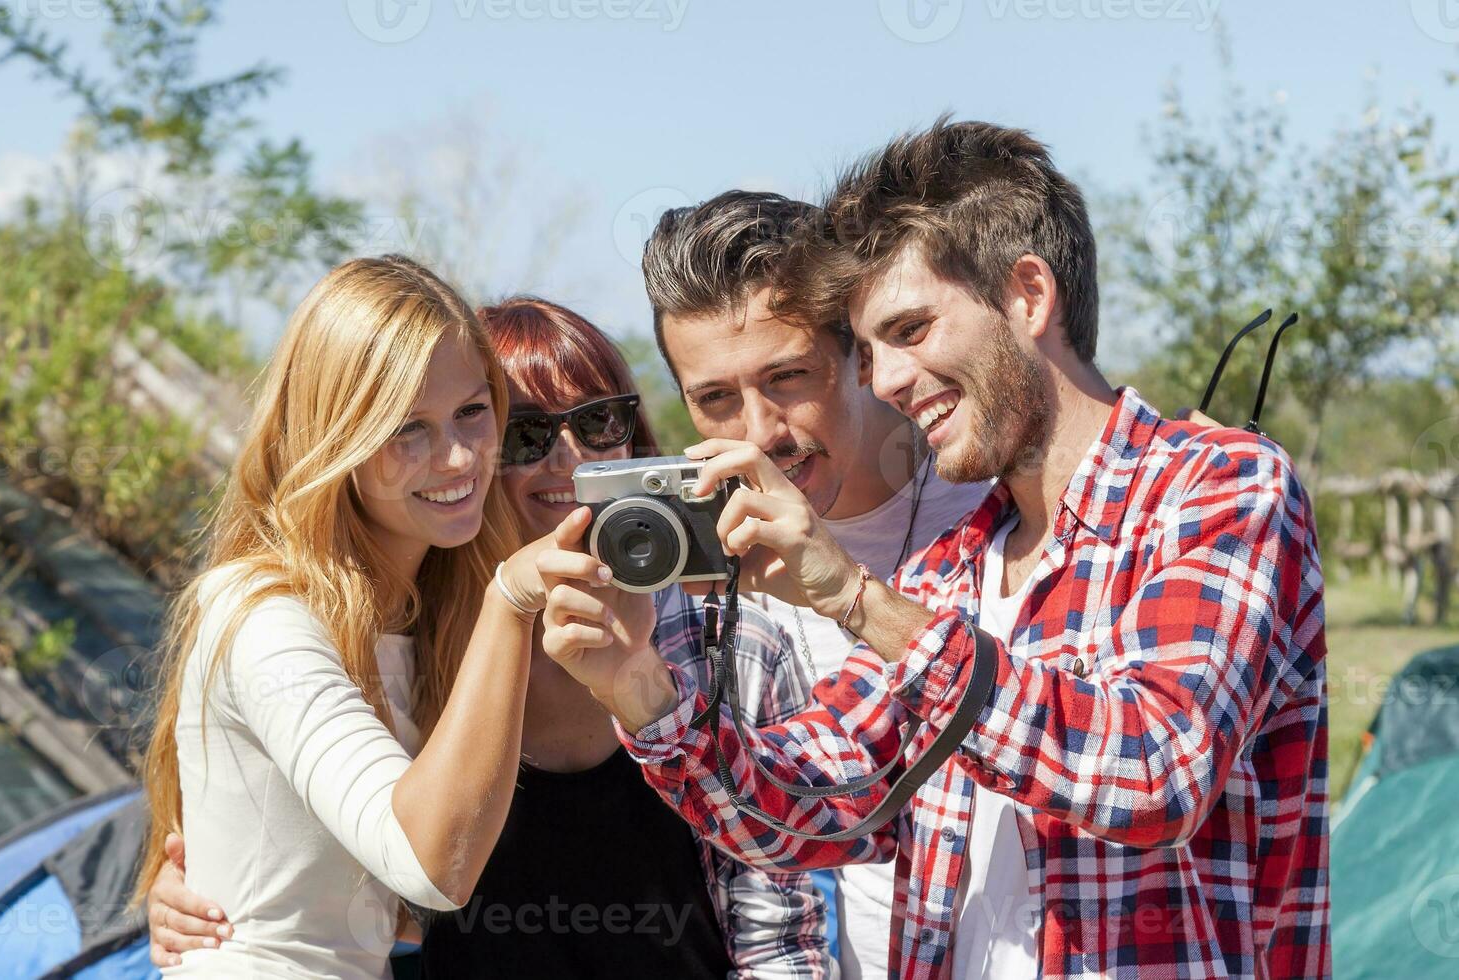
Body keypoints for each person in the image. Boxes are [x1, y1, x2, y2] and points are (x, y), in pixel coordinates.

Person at [539, 120, 1331, 980]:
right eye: (872, 350)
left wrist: (855, 599)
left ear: (1029, 295)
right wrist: (642, 694)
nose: (885, 381)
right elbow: (816, 810)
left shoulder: (1216, 487)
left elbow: (1153, 772)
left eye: (911, 330)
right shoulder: (950, 569)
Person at [146, 296, 836, 979]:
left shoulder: (725, 641)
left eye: (600, 421)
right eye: (527, 435)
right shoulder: (417, 633)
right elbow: (378, 872)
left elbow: (779, 923)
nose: (569, 461)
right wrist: (212, 903)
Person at [135, 255, 582, 977]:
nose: (459, 456)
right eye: (408, 428)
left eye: (472, 411)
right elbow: (433, 866)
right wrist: (510, 601)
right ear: (336, 439)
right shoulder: (264, 617)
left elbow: (398, 916)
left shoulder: (422, 610)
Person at [640, 190, 991, 980]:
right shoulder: (692, 568)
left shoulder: (991, 504)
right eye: (716, 399)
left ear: (860, 357)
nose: (761, 431)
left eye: (789, 377)